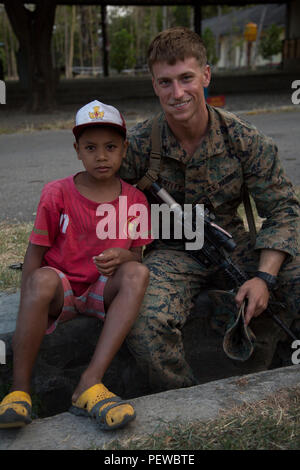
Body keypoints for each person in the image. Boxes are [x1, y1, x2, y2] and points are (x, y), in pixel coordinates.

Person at [119, 27, 300, 393]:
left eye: (186, 78)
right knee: (142, 321)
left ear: (206, 75)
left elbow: (283, 209)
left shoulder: (244, 140)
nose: (178, 93)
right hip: (170, 254)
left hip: (231, 243)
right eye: (165, 82)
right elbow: (108, 209)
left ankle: (282, 363)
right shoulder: (136, 146)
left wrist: (263, 277)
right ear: (154, 85)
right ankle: (186, 400)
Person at [0, 100, 152, 430]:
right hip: (62, 290)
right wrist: (29, 299)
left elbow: (137, 256)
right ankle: (19, 392)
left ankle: (90, 383)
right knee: (40, 281)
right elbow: (35, 252)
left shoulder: (135, 200)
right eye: (91, 147)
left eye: (111, 147)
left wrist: (124, 256)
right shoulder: (57, 194)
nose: (101, 156)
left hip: (102, 288)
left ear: (124, 149)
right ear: (77, 150)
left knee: (138, 273)